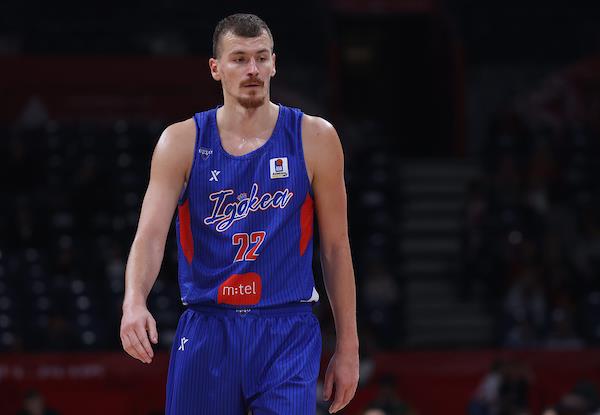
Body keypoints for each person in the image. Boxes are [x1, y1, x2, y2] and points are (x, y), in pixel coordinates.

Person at [119, 13, 359, 415]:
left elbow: (336, 246)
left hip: (287, 329)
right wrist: (133, 301)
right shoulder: (180, 141)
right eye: (240, 59)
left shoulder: (316, 137)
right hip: (209, 325)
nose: (253, 69)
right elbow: (150, 236)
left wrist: (348, 346)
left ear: (274, 64)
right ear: (216, 68)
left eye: (261, 58)